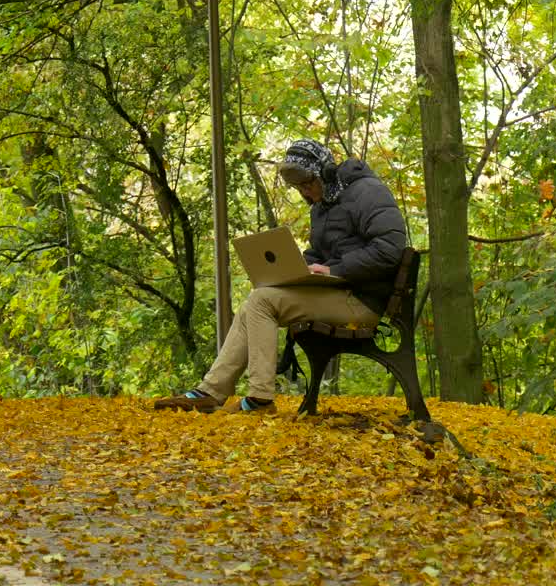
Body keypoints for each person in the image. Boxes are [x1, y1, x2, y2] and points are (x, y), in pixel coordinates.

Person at [154, 138, 407, 414]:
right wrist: (295, 269)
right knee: (255, 300)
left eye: (308, 184)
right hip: (338, 292)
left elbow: (390, 249)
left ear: (324, 172)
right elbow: (319, 253)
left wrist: (335, 270)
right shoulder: (322, 206)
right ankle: (210, 392)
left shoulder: (367, 191)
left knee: (262, 301)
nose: (305, 192)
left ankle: (260, 399)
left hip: (364, 300)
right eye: (299, 188)